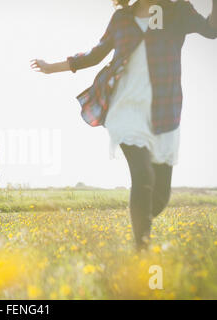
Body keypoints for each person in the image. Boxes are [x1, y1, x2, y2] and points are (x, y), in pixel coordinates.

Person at [31, 0, 217, 250]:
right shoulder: (122, 19)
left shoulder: (178, 12)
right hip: (125, 110)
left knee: (160, 195)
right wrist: (51, 68)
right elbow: (94, 55)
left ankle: (138, 228)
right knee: (143, 176)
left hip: (164, 112)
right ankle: (141, 251)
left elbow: (211, 30)